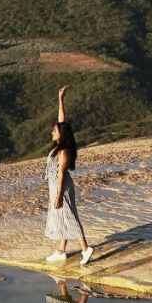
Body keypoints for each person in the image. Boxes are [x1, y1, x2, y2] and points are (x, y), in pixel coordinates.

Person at [43, 85, 94, 266]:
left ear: (60, 135)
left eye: (54, 131)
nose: (52, 132)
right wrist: (60, 100)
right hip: (56, 186)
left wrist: (58, 196)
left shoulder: (63, 151)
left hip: (61, 187)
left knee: (69, 216)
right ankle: (61, 250)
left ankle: (85, 249)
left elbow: (62, 175)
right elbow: (61, 122)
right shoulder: (60, 145)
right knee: (64, 216)